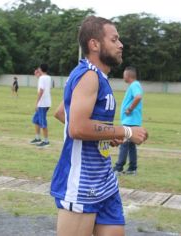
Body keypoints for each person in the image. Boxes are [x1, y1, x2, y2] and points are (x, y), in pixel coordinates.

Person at [50, 16, 148, 236]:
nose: (120, 45)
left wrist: (102, 134)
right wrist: (126, 131)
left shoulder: (97, 77)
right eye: (114, 39)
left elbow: (60, 113)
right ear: (94, 44)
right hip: (82, 183)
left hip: (104, 180)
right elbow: (76, 127)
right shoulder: (89, 76)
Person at [113, 67, 144, 176]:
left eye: (124, 74)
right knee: (131, 145)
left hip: (130, 121)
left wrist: (130, 108)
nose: (123, 77)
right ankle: (132, 168)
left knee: (124, 144)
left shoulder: (134, 85)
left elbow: (138, 97)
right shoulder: (135, 85)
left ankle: (118, 168)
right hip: (132, 121)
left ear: (128, 75)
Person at [30, 64, 52, 147]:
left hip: (43, 104)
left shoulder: (42, 78)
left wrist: (37, 103)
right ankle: (37, 138)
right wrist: (37, 75)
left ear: (40, 69)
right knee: (36, 120)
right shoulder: (48, 77)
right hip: (47, 102)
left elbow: (41, 90)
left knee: (43, 122)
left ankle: (46, 141)